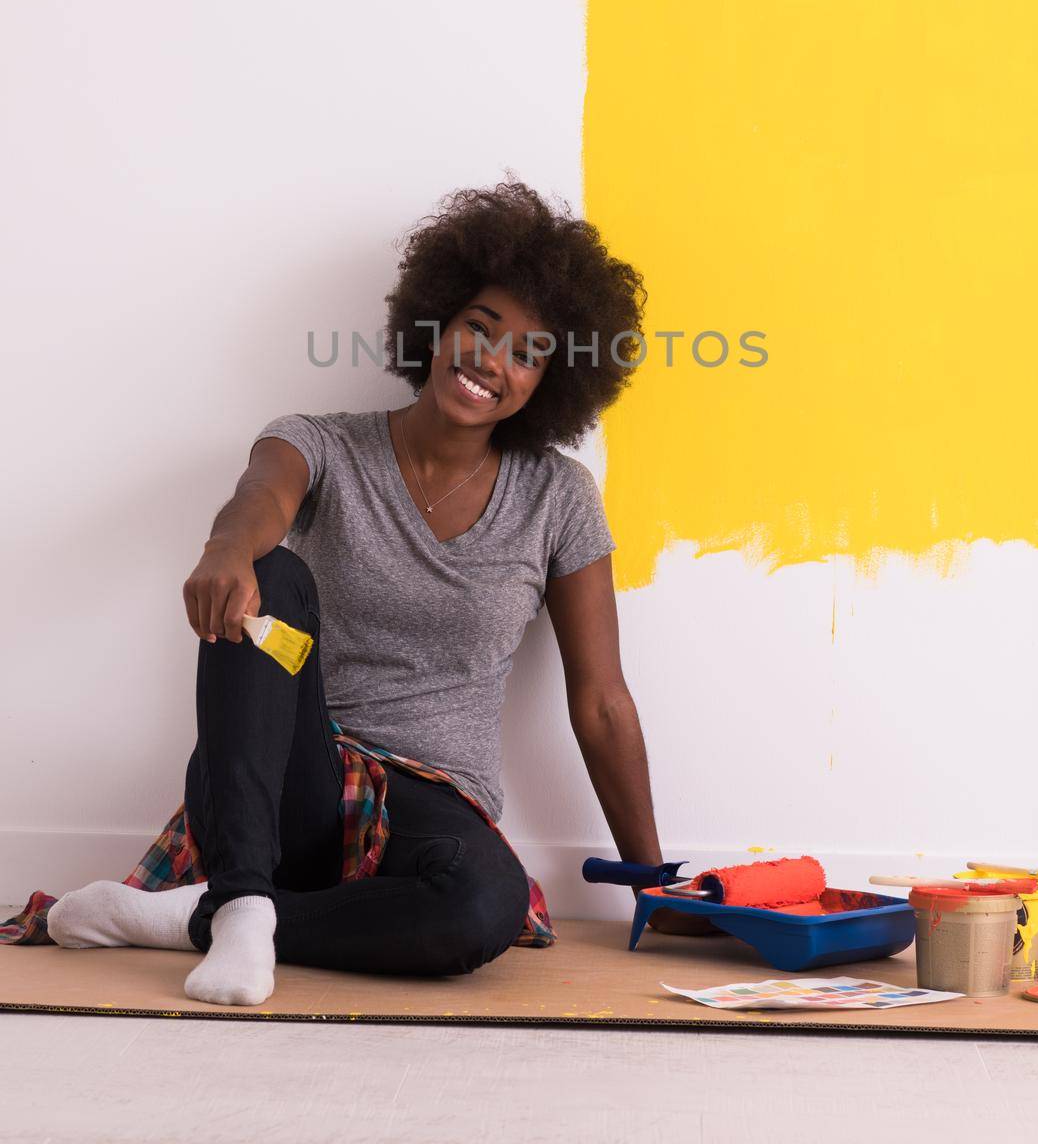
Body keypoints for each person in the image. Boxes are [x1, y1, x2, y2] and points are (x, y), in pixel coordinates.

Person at [45, 180, 708, 1006]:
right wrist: (226, 549)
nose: (491, 363)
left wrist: (653, 880)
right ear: (435, 325)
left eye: (528, 354)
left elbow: (602, 700)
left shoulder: (558, 498)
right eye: (479, 328)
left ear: (551, 383)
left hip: (433, 805)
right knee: (275, 576)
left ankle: (203, 917)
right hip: (294, 776)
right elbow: (262, 496)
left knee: (484, 907)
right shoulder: (324, 443)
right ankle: (245, 899)